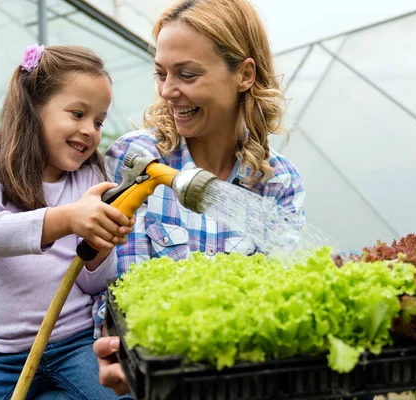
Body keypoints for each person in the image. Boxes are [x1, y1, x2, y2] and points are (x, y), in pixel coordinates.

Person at [92, 0, 306, 395]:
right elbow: (120, 297)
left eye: (187, 74)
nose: (168, 91)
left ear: (244, 75)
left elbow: (277, 308)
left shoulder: (278, 183)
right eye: (160, 74)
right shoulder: (135, 159)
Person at [0, 44, 134, 400]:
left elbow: (92, 285)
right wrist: (70, 218)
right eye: (77, 114)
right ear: (34, 106)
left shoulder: (90, 177)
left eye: (99, 121)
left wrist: (101, 248)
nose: (90, 130)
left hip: (74, 344)